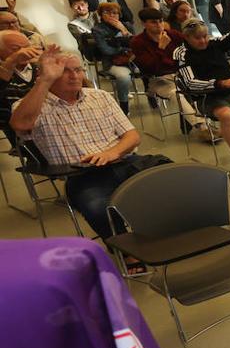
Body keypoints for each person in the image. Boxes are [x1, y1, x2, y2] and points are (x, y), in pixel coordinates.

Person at [11, 49, 159, 238]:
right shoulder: (30, 106)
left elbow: (132, 136)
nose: (74, 76)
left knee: (172, 177)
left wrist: (112, 153)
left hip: (124, 161)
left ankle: (165, 231)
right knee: (98, 208)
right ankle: (128, 254)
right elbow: (21, 124)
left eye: (78, 70)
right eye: (65, 71)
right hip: (82, 175)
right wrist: (45, 80)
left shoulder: (100, 97)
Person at [174, 2, 230, 174]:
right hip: (208, 97)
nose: (203, 41)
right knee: (226, 115)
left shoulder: (213, 43)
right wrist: (217, 83)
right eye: (198, 38)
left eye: (205, 36)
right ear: (187, 38)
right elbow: (190, 83)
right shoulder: (181, 53)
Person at [129, 7, 202, 132]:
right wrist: (161, 48)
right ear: (144, 23)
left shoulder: (172, 34)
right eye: (153, 22)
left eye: (160, 21)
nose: (159, 25)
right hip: (158, 80)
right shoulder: (138, 42)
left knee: (200, 85)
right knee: (176, 93)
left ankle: (200, 122)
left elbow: (192, 44)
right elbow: (150, 68)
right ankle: (203, 127)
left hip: (181, 75)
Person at [89, 2, 136, 114]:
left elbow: (137, 45)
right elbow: (106, 50)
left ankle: (150, 92)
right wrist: (123, 49)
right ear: (101, 15)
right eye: (107, 12)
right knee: (124, 77)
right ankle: (124, 105)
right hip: (112, 62)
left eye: (115, 13)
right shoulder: (98, 30)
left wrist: (124, 31)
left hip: (132, 60)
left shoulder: (127, 26)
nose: (112, 15)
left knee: (149, 65)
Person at [0, 29, 39, 144]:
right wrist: (11, 62)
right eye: (16, 49)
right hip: (17, 135)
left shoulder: (39, 68)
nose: (24, 52)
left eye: (27, 47)